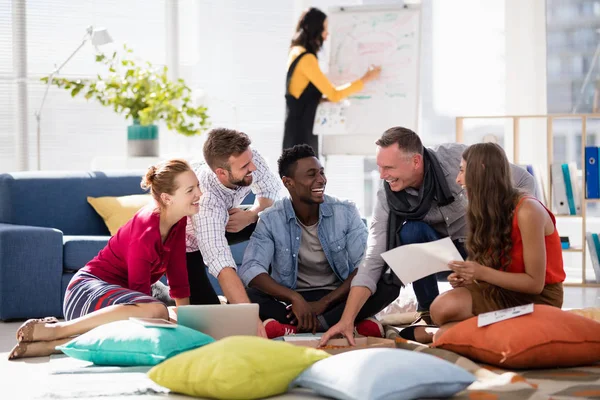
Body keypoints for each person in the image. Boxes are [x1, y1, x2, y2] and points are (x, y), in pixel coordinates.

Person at [319, 127, 537, 346]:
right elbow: (373, 259)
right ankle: (429, 313)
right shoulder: (387, 194)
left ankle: (462, 315)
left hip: (482, 250)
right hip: (442, 259)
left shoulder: (457, 160)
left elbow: (524, 180)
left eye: (389, 167)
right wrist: (346, 320)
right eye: (379, 167)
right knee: (411, 231)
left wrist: (502, 229)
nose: (383, 175)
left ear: (415, 161)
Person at [9, 159, 200, 359]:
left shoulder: (179, 220)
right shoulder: (146, 229)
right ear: (167, 198)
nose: (199, 194)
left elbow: (178, 277)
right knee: (157, 312)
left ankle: (53, 345)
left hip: (123, 300)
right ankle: (57, 330)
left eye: (198, 186)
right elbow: (141, 295)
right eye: (190, 190)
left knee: (179, 314)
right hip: (86, 292)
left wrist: (185, 324)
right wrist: (165, 318)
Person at [239, 145, 393, 338]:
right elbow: (251, 269)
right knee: (244, 296)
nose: (321, 180)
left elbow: (364, 265)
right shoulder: (271, 218)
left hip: (338, 295)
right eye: (311, 174)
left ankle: (296, 328)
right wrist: (294, 298)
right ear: (289, 182)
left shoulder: (345, 211)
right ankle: (350, 323)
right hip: (292, 301)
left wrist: (326, 302)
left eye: (321, 173)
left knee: (387, 279)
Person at [418, 143, 565, 343]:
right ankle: (486, 329)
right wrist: (468, 278)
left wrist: (480, 273)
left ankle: (460, 333)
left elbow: (535, 284)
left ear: (481, 170)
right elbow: (489, 270)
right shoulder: (483, 211)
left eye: (462, 170)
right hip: (502, 292)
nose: (458, 179)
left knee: (445, 334)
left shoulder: (528, 210)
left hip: (538, 299)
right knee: (439, 308)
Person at [186, 128, 283, 338]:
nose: (253, 167)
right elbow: (221, 265)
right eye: (245, 167)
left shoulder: (246, 156)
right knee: (207, 323)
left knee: (277, 217)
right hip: (187, 246)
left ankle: (267, 294)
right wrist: (250, 321)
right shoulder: (206, 201)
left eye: (250, 160)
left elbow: (269, 193)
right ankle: (161, 293)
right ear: (221, 172)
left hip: (227, 221)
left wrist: (252, 215)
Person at [284, 7, 382, 154]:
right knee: (308, 173)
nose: (327, 34)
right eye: (324, 28)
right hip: (302, 134)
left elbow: (299, 93)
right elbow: (334, 94)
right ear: (315, 30)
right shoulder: (307, 59)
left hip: (294, 132)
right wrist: (366, 78)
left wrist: (317, 99)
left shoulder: (295, 51)